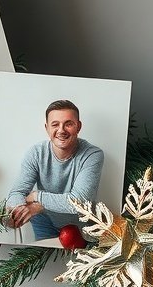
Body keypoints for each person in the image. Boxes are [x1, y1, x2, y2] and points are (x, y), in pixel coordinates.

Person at [6, 100, 105, 243]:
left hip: (80, 227)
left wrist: (37, 196)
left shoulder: (93, 155)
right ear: (47, 128)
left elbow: (78, 202)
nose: (61, 130)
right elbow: (17, 192)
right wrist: (19, 210)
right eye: (55, 124)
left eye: (68, 124)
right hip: (44, 222)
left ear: (78, 126)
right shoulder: (36, 153)